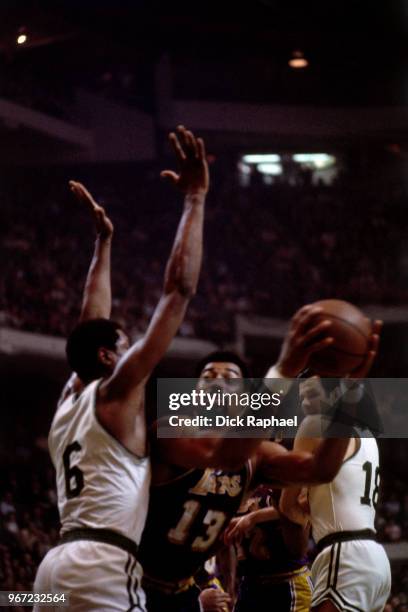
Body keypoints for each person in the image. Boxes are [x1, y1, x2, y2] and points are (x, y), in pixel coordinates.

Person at [33, 125, 209, 611]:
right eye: (125, 344)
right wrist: (195, 199)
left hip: (52, 570)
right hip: (103, 566)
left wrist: (103, 244)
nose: (134, 350)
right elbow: (178, 292)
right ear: (110, 358)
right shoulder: (115, 393)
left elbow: (90, 324)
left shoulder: (70, 401)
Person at [139, 304, 378, 611]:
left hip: (184, 592)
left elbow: (320, 470)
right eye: (208, 375)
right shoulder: (169, 429)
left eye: (231, 377)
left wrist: (349, 400)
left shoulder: (258, 455)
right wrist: (284, 371)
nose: (218, 381)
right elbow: (224, 454)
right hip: (133, 581)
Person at [279, 329, 392, 612]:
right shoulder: (367, 435)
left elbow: (287, 505)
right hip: (376, 561)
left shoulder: (314, 425)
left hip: (343, 555)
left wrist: (303, 511)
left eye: (313, 394)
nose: (306, 405)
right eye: (302, 398)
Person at [223, 484, 312, 612]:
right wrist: (229, 587)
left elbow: (299, 505)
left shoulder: (284, 474)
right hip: (249, 583)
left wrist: (254, 517)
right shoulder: (232, 481)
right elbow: (226, 542)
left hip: (288, 579)